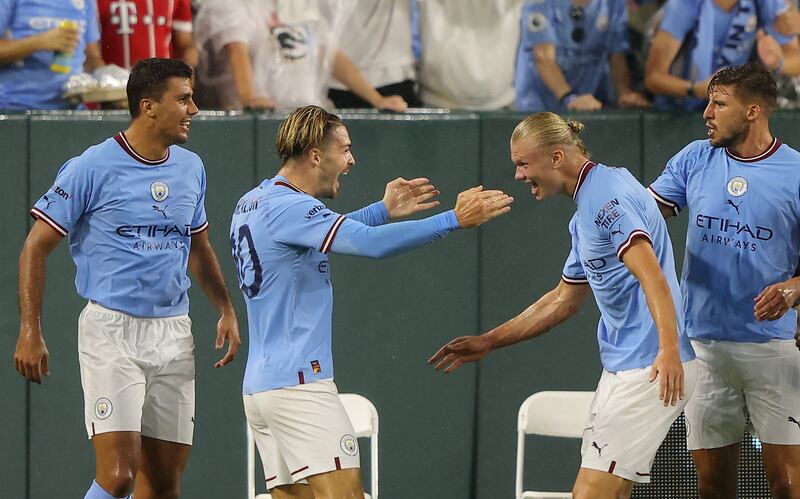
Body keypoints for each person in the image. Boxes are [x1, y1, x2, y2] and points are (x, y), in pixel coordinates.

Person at [230, 105, 512, 498]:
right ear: (315, 155)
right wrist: (454, 219)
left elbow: (313, 235)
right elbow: (368, 243)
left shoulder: (253, 201)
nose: (351, 160)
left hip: (262, 391)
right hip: (299, 385)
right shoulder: (289, 207)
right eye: (344, 149)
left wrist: (382, 211)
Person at [429, 112, 696, 499]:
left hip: (651, 367)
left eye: (523, 163)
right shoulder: (588, 208)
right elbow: (562, 301)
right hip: (625, 368)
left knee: (589, 494)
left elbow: (652, 276)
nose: (518, 175)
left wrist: (669, 350)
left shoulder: (607, 199)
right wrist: (489, 341)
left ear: (556, 158)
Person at [13, 58, 240, 499]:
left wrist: (225, 308)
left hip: (174, 333)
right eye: (184, 98)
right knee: (118, 477)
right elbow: (34, 247)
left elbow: (199, 248)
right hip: (111, 334)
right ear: (149, 106)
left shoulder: (191, 167)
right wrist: (30, 330)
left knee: (164, 485)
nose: (193, 109)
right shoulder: (91, 166)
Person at [648, 63, 800, 499]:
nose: (706, 112)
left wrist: (793, 289)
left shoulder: (795, 172)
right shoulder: (694, 158)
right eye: (708, 101)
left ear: (753, 111)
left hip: (774, 349)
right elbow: (643, 221)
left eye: (719, 103)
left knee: (789, 487)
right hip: (704, 349)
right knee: (713, 488)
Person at [193, 0, 407, 112]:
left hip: (305, 119)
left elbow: (328, 53)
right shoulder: (227, 4)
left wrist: (376, 98)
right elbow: (236, 49)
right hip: (254, 122)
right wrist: (248, 98)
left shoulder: (295, 4)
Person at [645, 0, 800, 110]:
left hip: (734, 114)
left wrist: (778, 63)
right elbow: (653, 78)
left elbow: (796, 61)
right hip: (677, 114)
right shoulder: (684, 5)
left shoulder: (765, 3)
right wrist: (696, 90)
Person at [514, 0, 649, 112]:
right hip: (538, 108)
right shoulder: (539, 2)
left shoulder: (613, 4)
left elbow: (617, 56)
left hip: (588, 105)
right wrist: (569, 98)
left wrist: (623, 93)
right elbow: (543, 56)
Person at [0, 0, 105, 109]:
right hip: (14, 110)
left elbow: (92, 59)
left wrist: (111, 85)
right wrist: (36, 43)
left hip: (73, 111)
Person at [97, 0, 199, 70]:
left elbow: (184, 43)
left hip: (161, 88)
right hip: (115, 90)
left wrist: (187, 67)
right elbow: (91, 52)